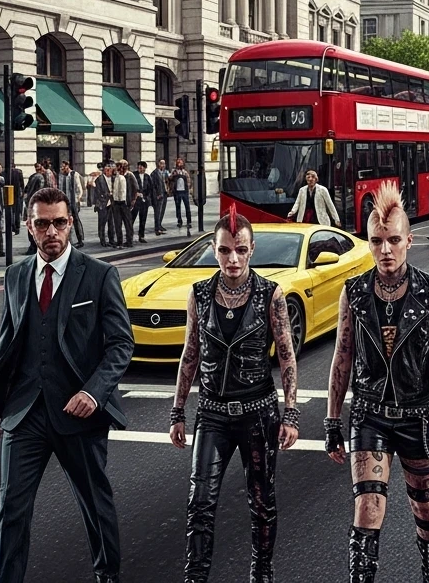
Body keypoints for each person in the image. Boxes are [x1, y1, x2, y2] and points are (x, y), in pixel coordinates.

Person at [0, 187, 133, 583]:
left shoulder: (99, 275)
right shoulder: (15, 276)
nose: (52, 231)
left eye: (60, 222)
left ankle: (107, 576)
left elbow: (121, 344)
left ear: (71, 223)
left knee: (95, 505)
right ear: (30, 227)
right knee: (11, 508)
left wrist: (92, 392)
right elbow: (7, 343)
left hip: (78, 413)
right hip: (26, 412)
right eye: (43, 223)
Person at [324, 181, 429, 583]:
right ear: (367, 243)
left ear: (409, 240)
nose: (385, 250)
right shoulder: (353, 293)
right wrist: (332, 421)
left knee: (424, 509)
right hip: (369, 414)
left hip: (418, 417)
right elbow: (342, 358)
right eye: (376, 241)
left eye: (392, 240)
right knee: (368, 508)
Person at [170, 210, 300, 582]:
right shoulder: (199, 293)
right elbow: (190, 353)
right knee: (200, 504)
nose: (233, 259)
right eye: (225, 251)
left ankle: (262, 572)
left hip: (258, 415)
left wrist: (290, 414)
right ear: (214, 250)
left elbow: (287, 355)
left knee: (262, 504)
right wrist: (178, 412)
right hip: (211, 413)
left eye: (241, 250)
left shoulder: (269, 294)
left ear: (251, 249)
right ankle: (195, 577)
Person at [58, 160, 86, 249]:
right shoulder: (61, 176)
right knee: (66, 222)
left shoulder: (74, 175)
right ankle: (69, 241)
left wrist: (76, 200)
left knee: (76, 221)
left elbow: (79, 189)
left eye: (63, 167)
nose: (62, 169)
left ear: (67, 166)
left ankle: (80, 240)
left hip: (73, 202)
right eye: (61, 167)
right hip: (64, 203)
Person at [93, 162, 115, 247]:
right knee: (102, 223)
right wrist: (107, 194)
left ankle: (112, 240)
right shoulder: (99, 179)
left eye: (110, 169)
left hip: (112, 204)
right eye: (107, 169)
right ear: (105, 170)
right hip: (102, 204)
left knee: (111, 223)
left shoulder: (113, 178)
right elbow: (97, 193)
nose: (109, 171)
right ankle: (102, 240)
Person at [170, 158, 194, 234]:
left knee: (187, 207)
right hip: (177, 192)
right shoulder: (174, 172)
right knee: (178, 207)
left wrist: (189, 189)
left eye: (181, 163)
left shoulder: (185, 172)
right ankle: (179, 221)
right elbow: (170, 179)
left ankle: (189, 221)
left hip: (184, 192)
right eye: (178, 163)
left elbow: (189, 180)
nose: (180, 164)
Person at [132, 162, 154, 244]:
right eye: (138, 167)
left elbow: (150, 188)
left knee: (143, 219)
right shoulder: (134, 175)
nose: (139, 169)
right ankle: (129, 236)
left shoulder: (147, 177)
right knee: (132, 219)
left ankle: (141, 236)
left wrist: (147, 197)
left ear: (145, 168)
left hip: (144, 201)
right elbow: (131, 186)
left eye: (141, 168)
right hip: (135, 201)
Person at [153, 158, 171, 235]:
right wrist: (156, 194)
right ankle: (157, 228)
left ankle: (159, 225)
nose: (163, 165)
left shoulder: (165, 172)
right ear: (158, 164)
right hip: (159, 194)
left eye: (164, 164)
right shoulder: (154, 173)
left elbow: (168, 181)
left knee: (162, 210)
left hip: (164, 193)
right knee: (158, 211)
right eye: (161, 163)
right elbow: (153, 185)